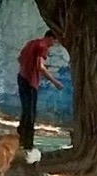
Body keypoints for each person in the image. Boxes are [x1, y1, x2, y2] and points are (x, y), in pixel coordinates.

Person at [17, 30, 63, 163]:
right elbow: (40, 66)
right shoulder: (42, 46)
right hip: (30, 82)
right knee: (31, 113)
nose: (54, 45)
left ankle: (21, 137)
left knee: (25, 110)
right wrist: (55, 82)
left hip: (21, 77)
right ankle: (28, 145)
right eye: (54, 41)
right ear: (50, 38)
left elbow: (19, 58)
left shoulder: (31, 43)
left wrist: (26, 68)